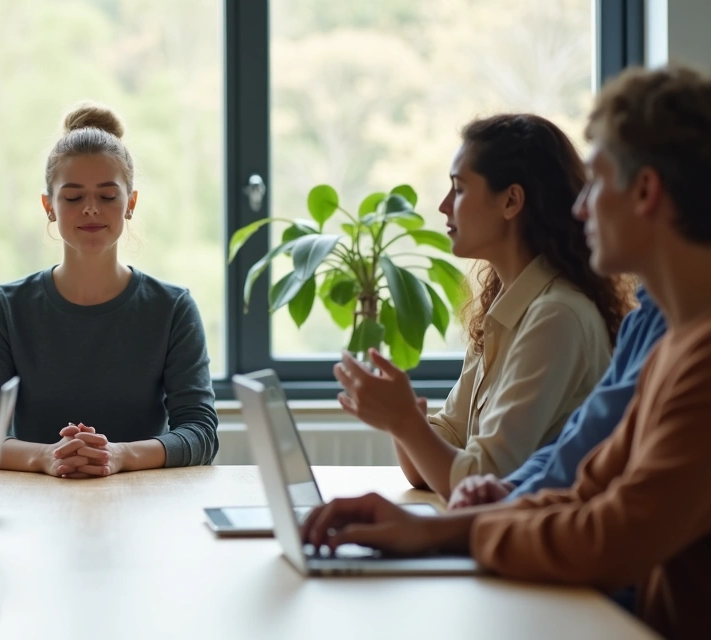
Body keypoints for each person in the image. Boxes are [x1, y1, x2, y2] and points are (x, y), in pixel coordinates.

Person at [302, 65, 711, 640]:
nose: (579, 207)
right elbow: (587, 487)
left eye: (596, 183)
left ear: (645, 191)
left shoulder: (691, 355)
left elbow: (612, 537)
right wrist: (445, 527)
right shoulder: (671, 339)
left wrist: (459, 530)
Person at [333, 113, 635, 499]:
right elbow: (433, 464)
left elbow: (477, 482)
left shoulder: (555, 316)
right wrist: (403, 420)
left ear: (511, 201)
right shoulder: (505, 308)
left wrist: (406, 421)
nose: (444, 206)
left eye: (458, 189)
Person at [0, 103, 219, 478]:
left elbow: (200, 432)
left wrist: (121, 455)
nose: (91, 209)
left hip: (147, 505)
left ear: (131, 203)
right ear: (49, 206)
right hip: (36, 506)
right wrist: (46, 457)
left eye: (108, 196)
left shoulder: (173, 308)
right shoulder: (5, 308)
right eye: (73, 197)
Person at [448, 286, 666, 509]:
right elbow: (574, 443)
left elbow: (482, 470)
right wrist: (512, 488)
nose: (591, 247)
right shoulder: (641, 321)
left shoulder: (557, 313)